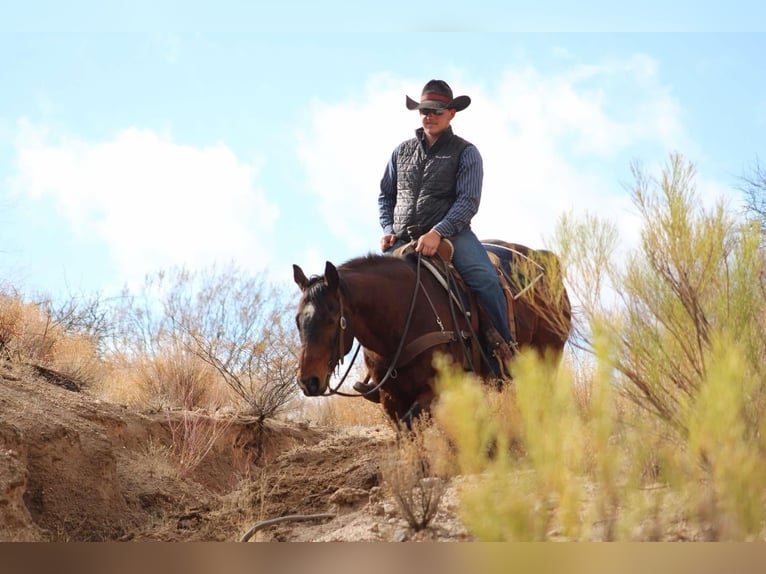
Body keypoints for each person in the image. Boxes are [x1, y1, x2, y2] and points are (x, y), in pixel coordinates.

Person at [356, 80, 515, 396]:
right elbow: (385, 196)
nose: (429, 116)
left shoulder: (466, 153)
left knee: (485, 280)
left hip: (453, 236)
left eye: (436, 111)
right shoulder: (401, 152)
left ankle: (504, 354)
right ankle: (376, 371)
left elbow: (468, 202)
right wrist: (388, 229)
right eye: (424, 111)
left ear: (451, 113)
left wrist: (438, 232)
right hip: (403, 240)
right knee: (370, 291)